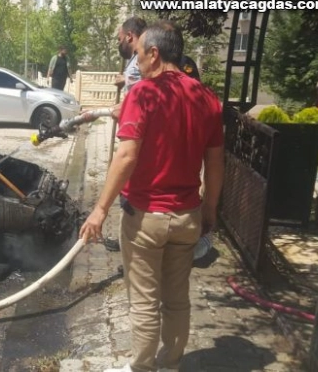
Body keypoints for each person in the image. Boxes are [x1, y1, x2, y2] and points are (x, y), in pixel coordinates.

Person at [79, 21, 225, 372]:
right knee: (176, 300)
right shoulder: (206, 98)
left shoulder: (143, 94)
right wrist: (210, 208)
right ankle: (170, 365)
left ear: (154, 55)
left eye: (139, 54)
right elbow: (216, 162)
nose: (137, 61)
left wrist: (99, 210)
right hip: (188, 216)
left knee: (144, 302)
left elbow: (127, 156)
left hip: (146, 219)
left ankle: (142, 368)